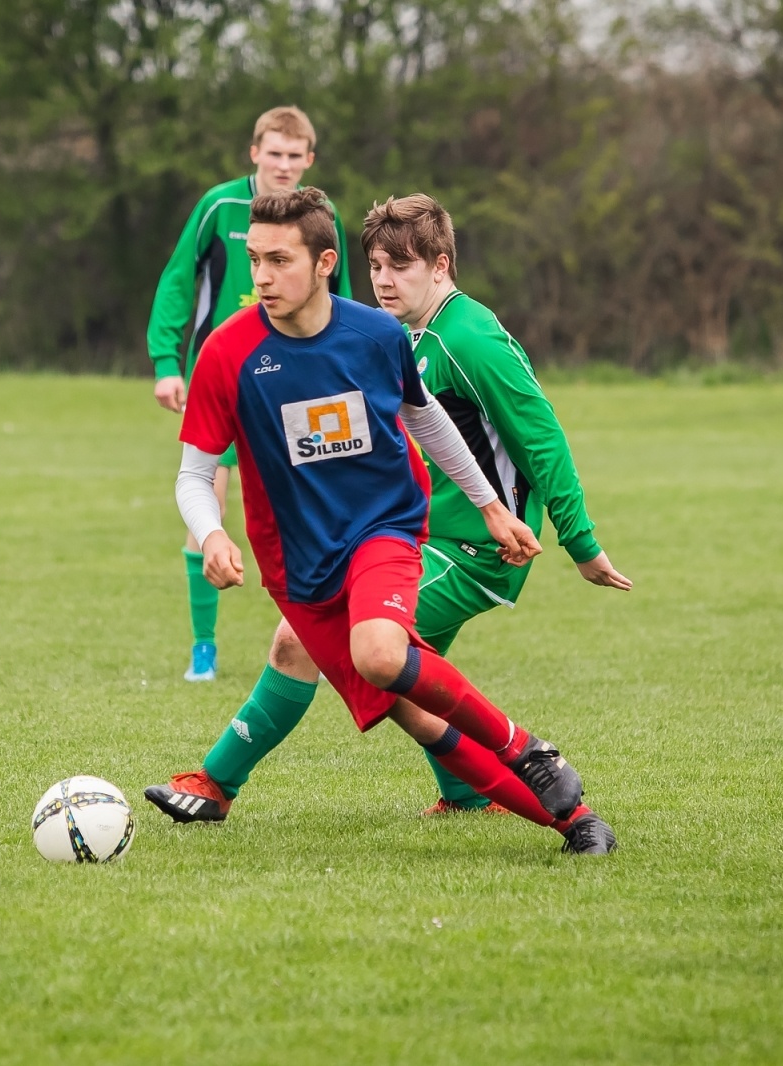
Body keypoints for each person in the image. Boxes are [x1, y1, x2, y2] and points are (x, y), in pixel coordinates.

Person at [147, 193, 627, 842]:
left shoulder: (465, 337)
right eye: (377, 265)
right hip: (341, 552)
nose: (384, 280)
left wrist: (576, 540)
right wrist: (213, 531)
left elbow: (540, 441)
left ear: (441, 265)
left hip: (464, 549)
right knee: (404, 692)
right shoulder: (381, 337)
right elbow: (204, 469)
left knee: (356, 654)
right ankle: (531, 807)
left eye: (399, 266)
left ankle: (217, 783)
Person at [147, 106, 351, 680]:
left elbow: (343, 294)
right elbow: (177, 281)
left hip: (296, 383)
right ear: (254, 152)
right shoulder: (218, 206)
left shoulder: (320, 214)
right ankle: (203, 650)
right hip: (223, 378)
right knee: (205, 500)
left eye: (295, 156)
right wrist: (167, 362)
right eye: (274, 153)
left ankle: (319, 635)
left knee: (312, 505)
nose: (283, 165)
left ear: (309, 160)